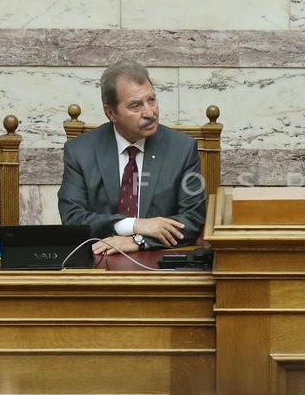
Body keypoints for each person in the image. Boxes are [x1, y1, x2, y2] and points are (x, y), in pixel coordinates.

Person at [58, 60, 206, 254]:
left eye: (151, 100)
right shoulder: (80, 151)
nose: (150, 113)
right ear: (111, 112)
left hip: (158, 260)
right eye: (136, 106)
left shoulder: (182, 149)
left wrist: (138, 241)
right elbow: (72, 218)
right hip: (100, 260)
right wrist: (133, 225)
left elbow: (193, 219)